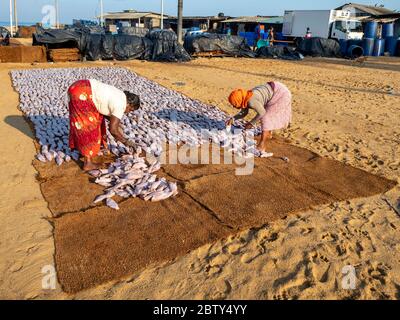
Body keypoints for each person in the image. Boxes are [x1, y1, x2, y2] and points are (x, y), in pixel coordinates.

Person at [67, 79, 140, 171]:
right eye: (130, 110)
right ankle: (88, 163)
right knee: (87, 126)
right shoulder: (120, 105)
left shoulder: (120, 95)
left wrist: (118, 124)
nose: (128, 112)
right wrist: (127, 142)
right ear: (129, 104)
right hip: (83, 92)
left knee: (85, 122)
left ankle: (83, 150)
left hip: (79, 86)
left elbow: (105, 109)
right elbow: (113, 130)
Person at [226, 82, 292, 152]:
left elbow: (262, 113)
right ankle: (268, 134)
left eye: (235, 104)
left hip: (281, 94)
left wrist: (251, 123)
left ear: (239, 100)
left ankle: (262, 145)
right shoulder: (245, 98)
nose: (233, 106)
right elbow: (244, 112)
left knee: (265, 118)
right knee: (266, 113)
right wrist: (233, 119)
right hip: (275, 88)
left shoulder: (251, 101)